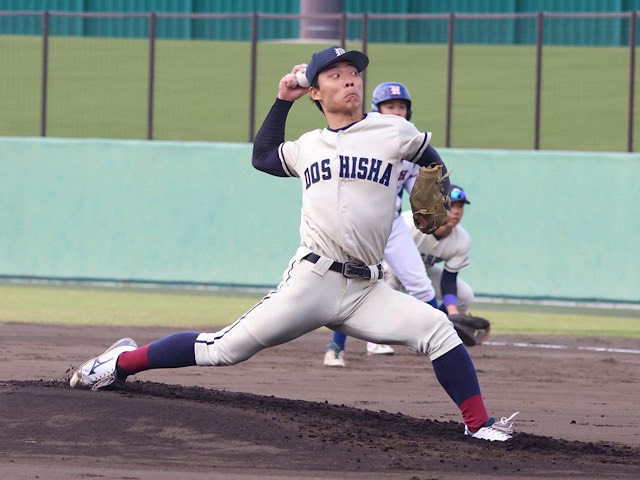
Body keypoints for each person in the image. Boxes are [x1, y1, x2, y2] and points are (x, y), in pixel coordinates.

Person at [69, 45, 517, 441]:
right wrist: (284, 99)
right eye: (336, 75)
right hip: (313, 281)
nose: (350, 80)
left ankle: (478, 424)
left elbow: (429, 159)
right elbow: (263, 157)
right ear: (316, 93)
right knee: (223, 349)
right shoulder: (308, 146)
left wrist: (438, 190)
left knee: (438, 330)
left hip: (368, 289)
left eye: (354, 73)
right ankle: (117, 363)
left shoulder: (392, 131)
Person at [323, 81, 440, 367]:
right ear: (377, 110)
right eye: (390, 106)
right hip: (359, 226)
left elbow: (417, 189)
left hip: (393, 225)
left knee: (419, 283)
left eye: (401, 107)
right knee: (349, 283)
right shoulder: (363, 141)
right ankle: (335, 348)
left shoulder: (411, 149)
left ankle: (444, 341)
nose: (397, 111)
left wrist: (431, 205)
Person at [385, 185, 474, 317]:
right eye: (450, 205)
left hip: (423, 271)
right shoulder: (410, 222)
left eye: (460, 206)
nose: (456, 211)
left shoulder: (462, 240)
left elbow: (448, 281)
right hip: (392, 266)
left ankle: (438, 324)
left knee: (464, 297)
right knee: (387, 289)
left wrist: (453, 313)